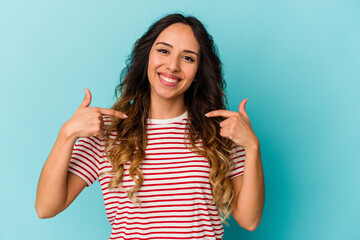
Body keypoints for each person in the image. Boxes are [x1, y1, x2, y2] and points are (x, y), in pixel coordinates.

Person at [35, 13, 265, 239]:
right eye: (164, 51)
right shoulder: (107, 132)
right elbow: (46, 208)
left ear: (197, 74)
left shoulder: (220, 133)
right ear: (147, 57)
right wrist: (67, 134)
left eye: (188, 58)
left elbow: (250, 220)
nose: (173, 65)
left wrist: (252, 146)